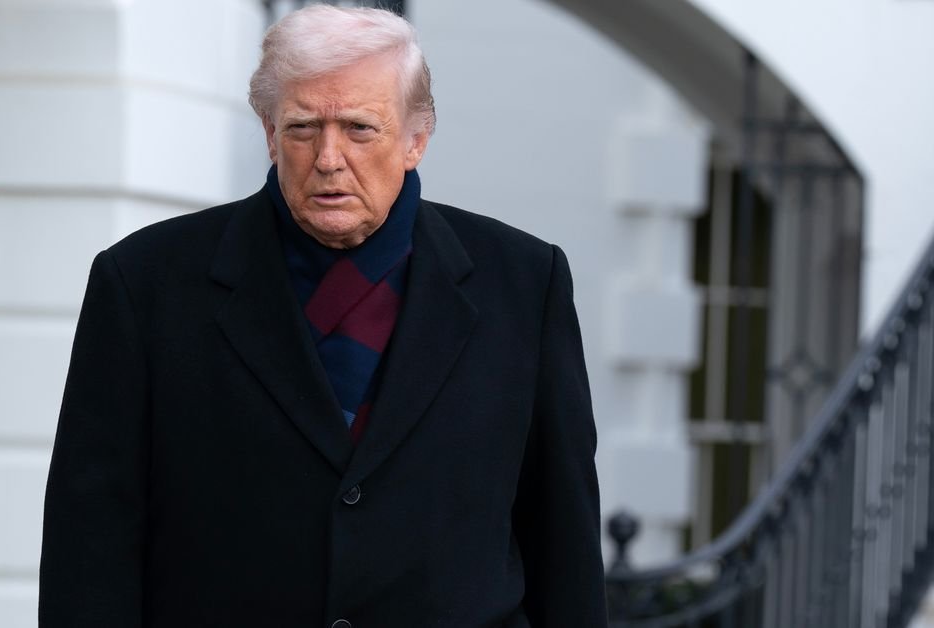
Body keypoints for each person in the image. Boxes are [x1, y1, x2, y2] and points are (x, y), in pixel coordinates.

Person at [39, 5, 607, 627]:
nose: (329, 157)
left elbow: (563, 537)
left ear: (416, 139)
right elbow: (90, 537)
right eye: (303, 127)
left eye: (360, 128)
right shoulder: (145, 283)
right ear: (269, 134)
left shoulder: (525, 283)